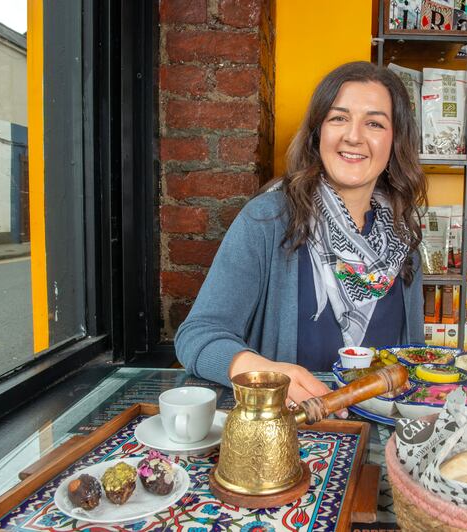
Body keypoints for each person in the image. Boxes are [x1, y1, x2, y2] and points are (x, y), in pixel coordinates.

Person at [174, 61, 427, 408]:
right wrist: (263, 374)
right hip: (288, 438)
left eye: (374, 123)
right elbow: (196, 337)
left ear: (395, 140)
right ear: (317, 132)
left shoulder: (403, 240)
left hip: (383, 436)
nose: (353, 135)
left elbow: (412, 359)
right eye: (338, 118)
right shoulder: (268, 220)